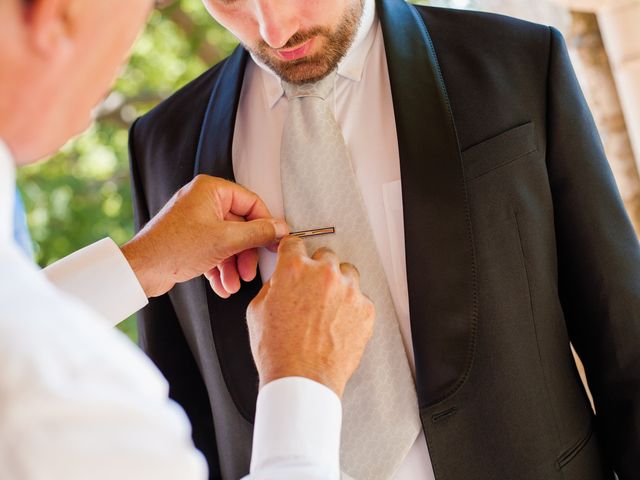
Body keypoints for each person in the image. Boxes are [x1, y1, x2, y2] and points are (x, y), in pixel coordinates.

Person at [128, 0, 640, 478]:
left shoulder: (518, 61)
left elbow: (623, 337)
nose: (274, 29)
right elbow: (181, 421)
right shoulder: (161, 145)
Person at [0, 0, 375, 478]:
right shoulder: (61, 409)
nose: (275, 32)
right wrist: (302, 382)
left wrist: (137, 265)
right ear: (57, 14)